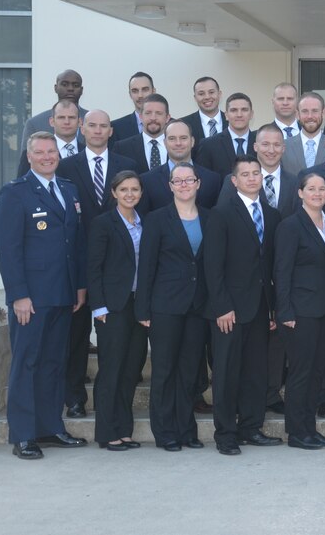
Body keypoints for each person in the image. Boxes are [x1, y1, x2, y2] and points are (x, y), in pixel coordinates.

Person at [0, 132, 88, 459]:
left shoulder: (67, 189)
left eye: (52, 151)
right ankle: (23, 435)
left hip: (62, 293)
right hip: (31, 298)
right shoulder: (15, 193)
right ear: (29, 156)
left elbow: (73, 245)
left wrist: (78, 286)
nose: (48, 156)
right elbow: (8, 249)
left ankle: (50, 427)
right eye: (41, 152)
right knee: (27, 363)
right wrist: (18, 294)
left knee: (53, 363)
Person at [55, 109, 135, 419]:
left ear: (111, 131)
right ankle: (74, 397)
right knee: (76, 337)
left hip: (115, 270)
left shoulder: (127, 165)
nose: (98, 131)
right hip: (76, 264)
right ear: (81, 129)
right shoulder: (66, 167)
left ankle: (111, 399)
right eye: (92, 126)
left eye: (104, 126)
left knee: (113, 340)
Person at [204, 155, 282, 455]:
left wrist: (273, 308)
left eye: (256, 173)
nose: (252, 178)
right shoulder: (221, 214)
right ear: (233, 181)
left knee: (255, 372)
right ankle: (226, 433)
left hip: (260, 309)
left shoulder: (271, 215)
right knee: (226, 373)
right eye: (245, 174)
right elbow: (213, 266)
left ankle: (251, 427)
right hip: (229, 311)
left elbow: (271, 266)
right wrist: (222, 306)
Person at [135, 163, 210, 452]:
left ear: (197, 183)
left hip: (197, 305)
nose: (183, 185)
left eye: (188, 180)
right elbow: (147, 266)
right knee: (165, 370)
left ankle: (186, 430)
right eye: (177, 181)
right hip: (165, 306)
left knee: (189, 371)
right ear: (170, 186)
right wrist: (143, 309)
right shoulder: (156, 220)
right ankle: (165, 431)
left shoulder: (209, 217)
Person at [273, 172, 325, 450]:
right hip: (299, 312)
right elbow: (281, 271)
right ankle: (296, 432)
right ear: (300, 193)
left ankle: (309, 428)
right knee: (300, 373)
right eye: (311, 188)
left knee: (317, 373)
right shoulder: (290, 226)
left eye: (322, 189)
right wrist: (284, 311)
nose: (317, 193)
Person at [87, 170, 149, 451]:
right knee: (111, 369)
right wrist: (98, 305)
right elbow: (94, 268)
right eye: (124, 190)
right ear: (113, 193)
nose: (129, 194)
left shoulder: (143, 222)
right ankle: (106, 432)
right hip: (112, 307)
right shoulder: (103, 224)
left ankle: (124, 430)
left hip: (138, 306)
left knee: (131, 368)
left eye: (134, 189)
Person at [137, 119, 222, 215]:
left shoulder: (213, 179)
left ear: (192, 141)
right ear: (165, 143)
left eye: (183, 138)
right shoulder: (147, 180)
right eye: (172, 138)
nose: (178, 143)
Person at [218, 124, 299, 218]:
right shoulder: (234, 180)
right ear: (255, 147)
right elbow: (222, 215)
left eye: (277, 145)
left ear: (283, 148)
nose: (271, 150)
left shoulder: (295, 182)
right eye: (265, 144)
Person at [16, 98, 85, 177]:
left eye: (71, 117)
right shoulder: (31, 154)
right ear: (52, 121)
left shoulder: (88, 152)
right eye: (61, 117)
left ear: (80, 122)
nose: (66, 122)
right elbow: (22, 186)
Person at [20, 69, 87, 145]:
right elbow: (27, 155)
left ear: (81, 90)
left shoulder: (95, 121)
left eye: (75, 85)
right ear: (56, 88)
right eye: (64, 84)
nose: (70, 89)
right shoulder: (35, 124)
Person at [197, 93, 257, 177]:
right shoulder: (208, 145)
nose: (239, 115)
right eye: (233, 110)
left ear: (251, 114)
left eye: (244, 110)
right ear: (226, 115)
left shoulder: (261, 142)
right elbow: (205, 180)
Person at [113, 93, 171, 172]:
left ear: (167, 118)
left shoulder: (179, 146)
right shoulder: (122, 148)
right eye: (148, 113)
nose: (153, 118)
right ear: (140, 117)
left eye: (158, 113)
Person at [282, 92, 325, 175]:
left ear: (323, 113)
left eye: (315, 111)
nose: (310, 116)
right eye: (305, 111)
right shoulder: (284, 147)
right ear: (297, 114)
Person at [178, 76, 226, 157]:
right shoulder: (183, 124)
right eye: (201, 94)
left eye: (211, 92)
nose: (207, 97)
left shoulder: (232, 120)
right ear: (195, 98)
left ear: (219, 94)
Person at [110, 71, 156, 143]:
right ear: (130, 94)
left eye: (145, 90)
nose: (140, 95)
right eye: (135, 91)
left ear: (153, 91)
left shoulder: (171, 125)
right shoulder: (116, 128)